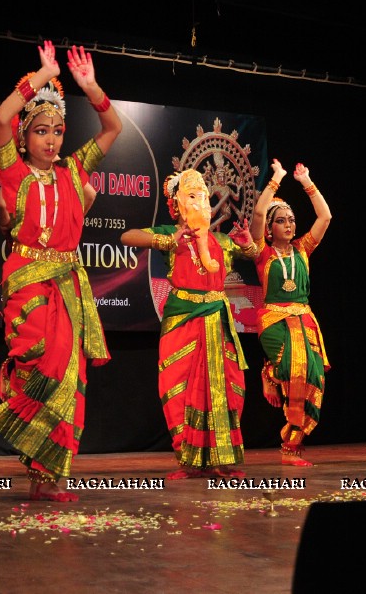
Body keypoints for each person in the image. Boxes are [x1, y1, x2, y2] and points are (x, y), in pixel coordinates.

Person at [0, 41, 121, 502]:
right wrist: (41, 78)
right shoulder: (13, 172)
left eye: (58, 131)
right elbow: (1, 118)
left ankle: (50, 477)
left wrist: (90, 87)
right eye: (41, 130)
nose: (50, 139)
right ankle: (36, 462)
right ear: (25, 137)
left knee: (67, 374)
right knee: (37, 364)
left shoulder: (73, 170)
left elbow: (113, 126)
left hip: (68, 284)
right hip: (27, 281)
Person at [121, 169, 258, 479]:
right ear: (177, 205)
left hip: (217, 320)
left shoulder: (221, 240)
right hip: (182, 320)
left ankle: (222, 459)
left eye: (205, 198)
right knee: (177, 388)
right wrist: (167, 240)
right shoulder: (173, 236)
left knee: (225, 388)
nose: (202, 205)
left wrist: (248, 243)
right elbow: (127, 236)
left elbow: (255, 254)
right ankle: (188, 459)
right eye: (193, 197)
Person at [247, 159, 331, 467]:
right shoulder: (262, 254)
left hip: (305, 318)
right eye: (282, 220)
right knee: (293, 368)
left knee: (314, 376)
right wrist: (277, 179)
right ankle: (269, 371)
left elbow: (325, 216)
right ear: (269, 230)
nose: (289, 224)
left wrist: (307, 182)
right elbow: (257, 213)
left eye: (291, 220)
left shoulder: (303, 249)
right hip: (273, 319)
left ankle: (293, 442)